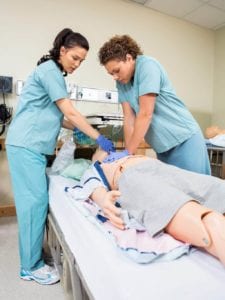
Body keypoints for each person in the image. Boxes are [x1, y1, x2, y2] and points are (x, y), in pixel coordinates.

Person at [5, 28, 115, 285]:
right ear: (62, 51)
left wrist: (80, 130)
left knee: (36, 200)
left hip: (31, 146)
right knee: (34, 203)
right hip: (26, 145)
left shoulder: (51, 75)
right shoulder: (50, 72)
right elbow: (71, 112)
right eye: (75, 57)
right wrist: (97, 137)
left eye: (82, 61)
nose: (77, 64)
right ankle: (29, 266)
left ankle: (32, 254)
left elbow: (60, 117)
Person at [69, 148, 225, 267]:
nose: (105, 149)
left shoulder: (132, 154)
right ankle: (214, 227)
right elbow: (92, 185)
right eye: (98, 149)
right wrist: (103, 199)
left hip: (160, 168)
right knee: (173, 204)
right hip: (130, 175)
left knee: (216, 187)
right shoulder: (96, 167)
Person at [98, 35, 210, 175]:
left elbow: (145, 114)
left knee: (197, 190)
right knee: (172, 193)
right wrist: (128, 156)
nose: (115, 76)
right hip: (162, 148)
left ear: (128, 58)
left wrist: (128, 153)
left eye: (117, 70)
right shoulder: (121, 82)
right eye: (110, 74)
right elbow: (129, 119)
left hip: (184, 140)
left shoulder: (147, 66)